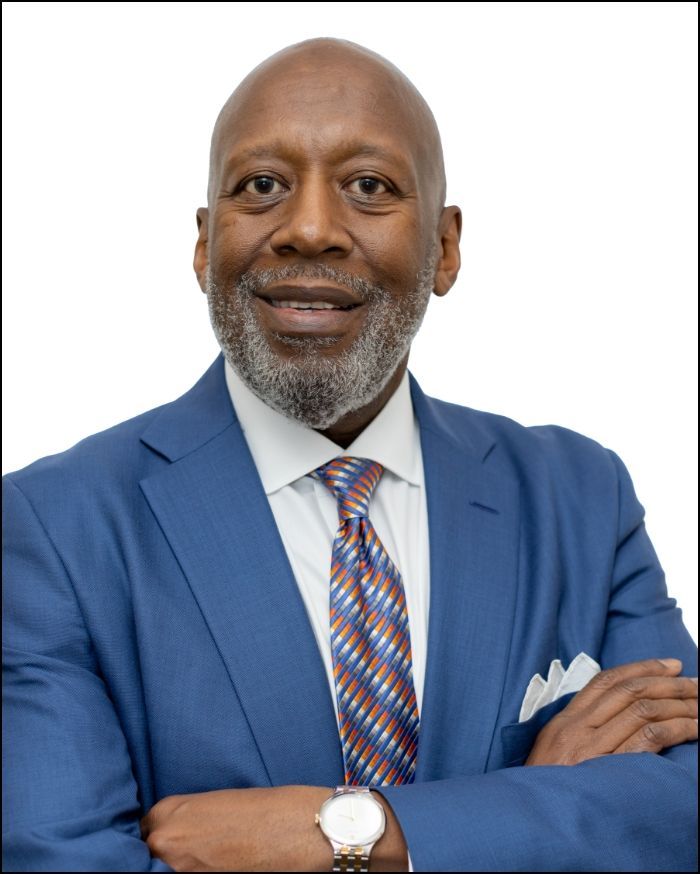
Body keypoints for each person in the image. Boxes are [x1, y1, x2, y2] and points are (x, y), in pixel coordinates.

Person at [2, 36, 697, 873]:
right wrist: (531, 806)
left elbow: (680, 817)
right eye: (262, 186)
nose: (309, 228)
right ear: (202, 242)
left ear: (445, 248)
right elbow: (63, 863)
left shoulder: (580, 499)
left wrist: (359, 834)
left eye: (369, 187)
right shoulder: (52, 529)